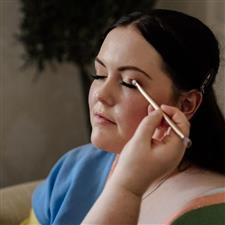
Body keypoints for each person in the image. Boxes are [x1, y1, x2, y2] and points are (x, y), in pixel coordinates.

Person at [20, 9, 225, 225]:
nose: (101, 94)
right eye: (99, 74)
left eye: (129, 83)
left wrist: (127, 188)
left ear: (186, 104)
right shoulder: (75, 168)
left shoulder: (211, 210)